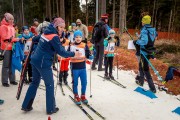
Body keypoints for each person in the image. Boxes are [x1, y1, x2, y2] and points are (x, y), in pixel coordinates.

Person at [21, 17, 78, 114]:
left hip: (35, 60)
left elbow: (35, 39)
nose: (63, 29)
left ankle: (26, 105)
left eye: (64, 27)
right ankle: (50, 108)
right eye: (61, 27)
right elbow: (61, 52)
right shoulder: (54, 36)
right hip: (43, 63)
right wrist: (72, 53)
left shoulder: (46, 31)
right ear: (56, 26)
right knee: (50, 85)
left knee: (34, 83)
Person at [133, 15, 157, 93]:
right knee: (141, 66)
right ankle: (140, 81)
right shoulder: (153, 30)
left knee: (145, 69)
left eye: (143, 21)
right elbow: (154, 37)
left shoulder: (144, 30)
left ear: (144, 22)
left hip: (144, 51)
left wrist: (137, 41)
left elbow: (145, 41)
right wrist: (140, 37)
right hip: (150, 50)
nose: (142, 22)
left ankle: (152, 88)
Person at [70, 30, 92, 105]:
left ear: (82, 38)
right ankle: (76, 95)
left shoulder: (84, 45)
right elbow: (67, 53)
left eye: (79, 37)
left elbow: (87, 53)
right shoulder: (71, 45)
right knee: (75, 82)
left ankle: (83, 95)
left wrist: (90, 56)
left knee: (84, 82)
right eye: (76, 37)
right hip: (74, 68)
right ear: (74, 38)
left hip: (82, 67)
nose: (78, 38)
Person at [0, 13, 19, 87]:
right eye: (10, 19)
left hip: (12, 47)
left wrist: (17, 39)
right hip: (5, 47)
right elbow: (5, 38)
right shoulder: (3, 26)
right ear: (6, 19)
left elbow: (13, 36)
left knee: (12, 64)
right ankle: (4, 81)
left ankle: (12, 79)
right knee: (6, 65)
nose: (11, 20)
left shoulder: (12, 27)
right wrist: (15, 39)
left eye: (12, 19)